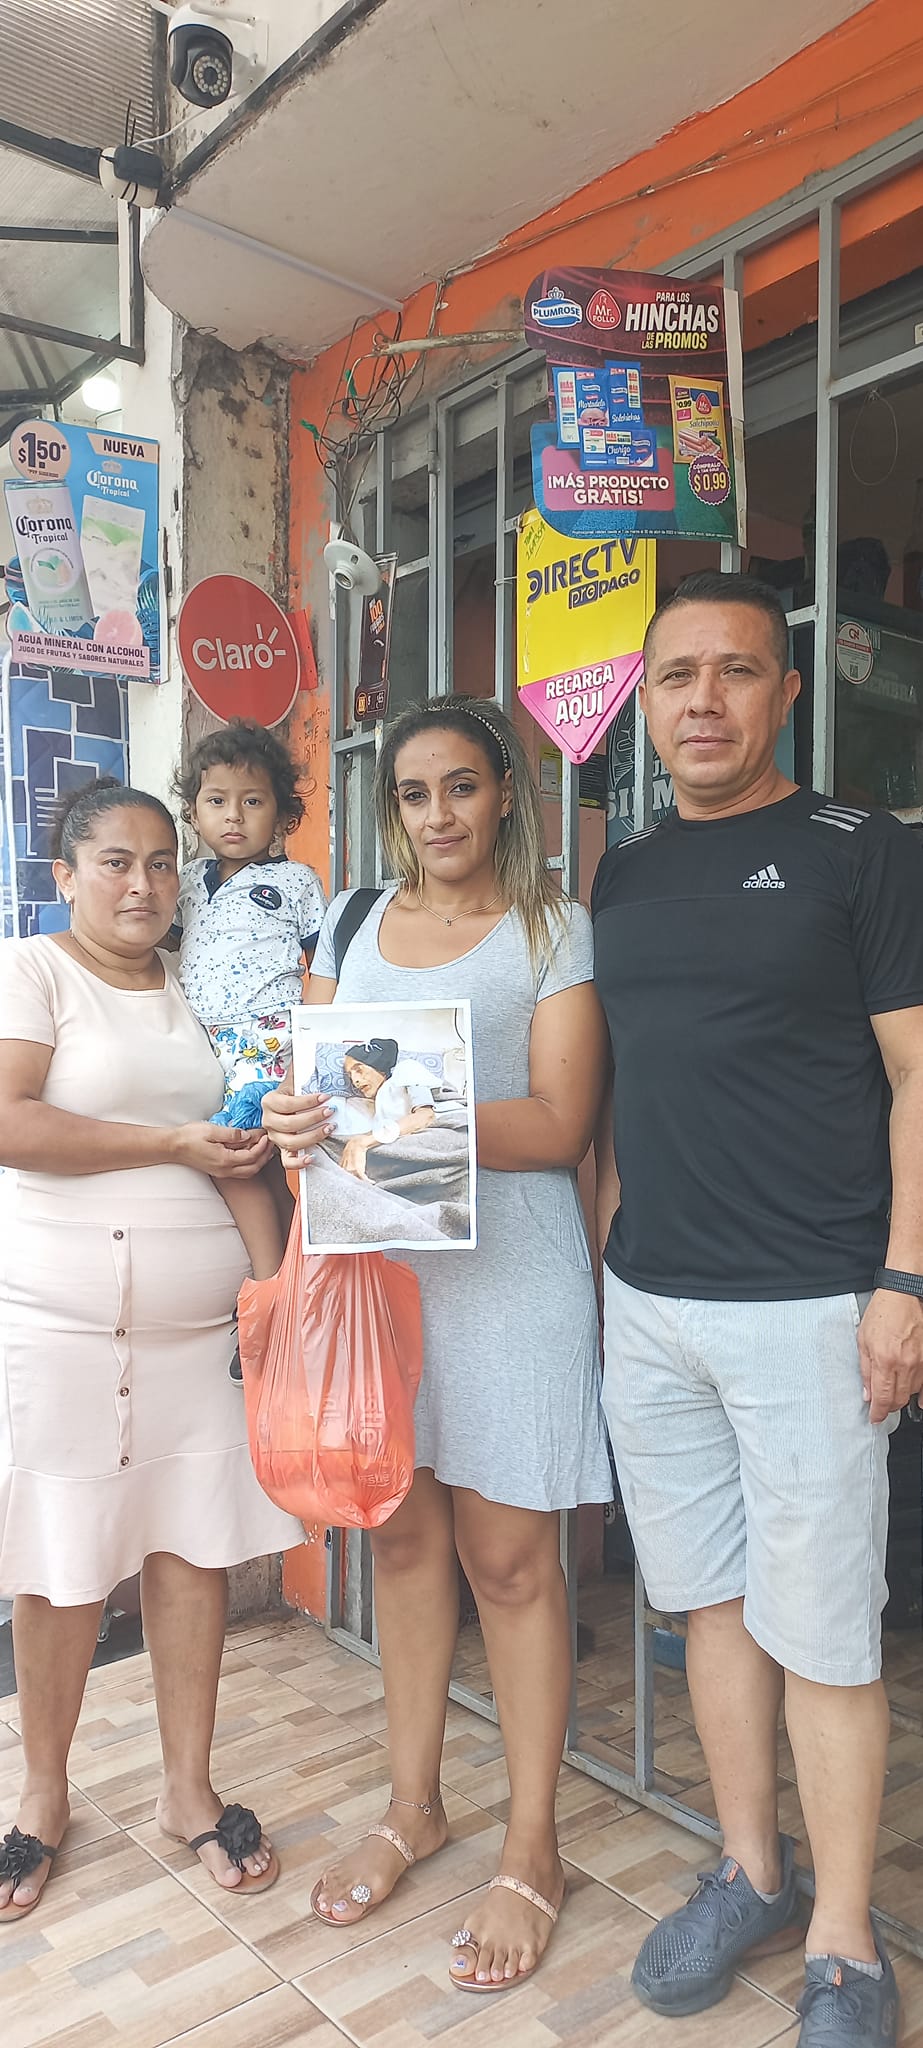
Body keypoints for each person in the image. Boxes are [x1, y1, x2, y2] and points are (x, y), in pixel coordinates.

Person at [592, 570, 923, 2048]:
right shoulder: (622, 871)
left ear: (786, 692)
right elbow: (622, 1083)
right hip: (649, 1303)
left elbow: (913, 1075)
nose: (704, 700)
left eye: (734, 671)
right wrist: (606, 1259)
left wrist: (901, 1282)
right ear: (646, 704)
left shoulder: (862, 851)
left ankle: (844, 1940)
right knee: (707, 1608)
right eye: (676, 677)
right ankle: (750, 1870)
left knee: (827, 1637)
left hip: (810, 1309)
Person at [262, 695, 612, 1993]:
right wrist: (300, 1120)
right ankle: (412, 1807)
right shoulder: (349, 923)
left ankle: (532, 1843)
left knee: (511, 1564)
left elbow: (560, 1122)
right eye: (413, 793)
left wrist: (384, 1114)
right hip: (381, 1281)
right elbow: (303, 1087)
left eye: (460, 786)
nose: (437, 814)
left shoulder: (552, 927)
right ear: (391, 807)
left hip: (511, 1278)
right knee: (403, 1545)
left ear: (503, 791)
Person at [0, 778, 305, 1924]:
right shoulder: (33, 971)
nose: (143, 884)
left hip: (195, 1339)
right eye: (116, 862)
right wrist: (172, 1140)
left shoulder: (195, 987)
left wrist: (275, 1294)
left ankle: (187, 1789)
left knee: (192, 1550)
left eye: (163, 862)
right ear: (65, 874)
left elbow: (238, 1153)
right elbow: (10, 1118)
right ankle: (42, 1793)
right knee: (61, 1557)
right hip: (61, 1327)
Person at [172, 719, 328, 1370]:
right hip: (201, 1044)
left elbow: (327, 966)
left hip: (269, 1039)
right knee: (248, 1164)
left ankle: (277, 1301)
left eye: (252, 800)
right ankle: (286, 1298)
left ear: (284, 815)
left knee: (254, 1159)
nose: (233, 816)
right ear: (193, 812)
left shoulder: (297, 883)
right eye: (216, 801)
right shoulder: (183, 882)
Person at [335, 1037, 437, 1178]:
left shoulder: (406, 1068)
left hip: (437, 1131)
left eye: (358, 1069)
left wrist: (364, 1142)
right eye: (350, 1075)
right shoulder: (377, 1104)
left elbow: (426, 1115)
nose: (355, 1080)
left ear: (377, 1065)